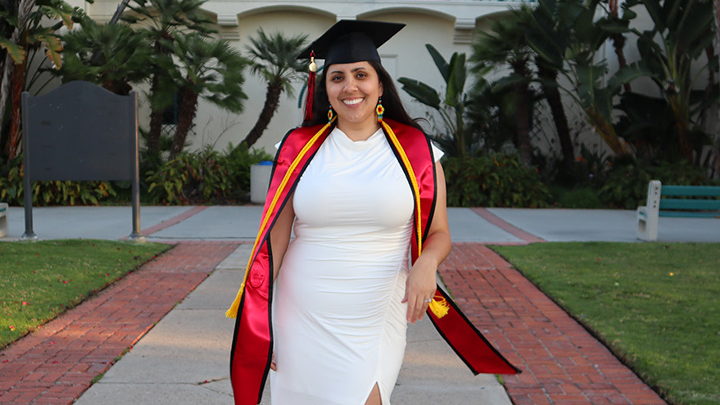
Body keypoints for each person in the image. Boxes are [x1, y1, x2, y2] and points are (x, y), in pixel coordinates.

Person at [227, 20, 519, 405]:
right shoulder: (296, 148)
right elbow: (275, 239)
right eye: (337, 77)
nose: (350, 87)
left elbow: (439, 232)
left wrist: (427, 263)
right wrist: (261, 320)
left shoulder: (417, 152)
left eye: (361, 75)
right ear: (324, 88)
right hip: (301, 310)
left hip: (376, 308)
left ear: (380, 84)